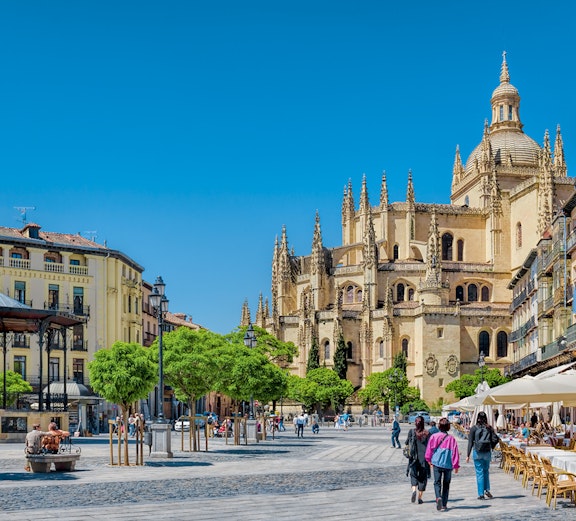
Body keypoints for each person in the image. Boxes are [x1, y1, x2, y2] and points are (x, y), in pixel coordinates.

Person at [425, 417, 460, 511]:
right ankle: (444, 504)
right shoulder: (451, 439)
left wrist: (428, 460)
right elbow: (455, 453)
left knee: (437, 482)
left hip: (436, 462)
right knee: (446, 484)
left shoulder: (434, 436)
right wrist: (456, 465)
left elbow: (429, 449)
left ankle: (438, 497)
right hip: (448, 464)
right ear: (448, 427)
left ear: (439, 426)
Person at [466, 411, 499, 500]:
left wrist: (468, 455)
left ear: (477, 418)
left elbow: (470, 442)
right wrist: (491, 447)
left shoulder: (474, 428)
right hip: (487, 452)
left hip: (477, 452)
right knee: (486, 471)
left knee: (479, 473)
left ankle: (481, 494)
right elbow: (495, 438)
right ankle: (487, 489)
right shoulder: (489, 428)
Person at [405, 415, 430, 504]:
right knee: (422, 478)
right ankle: (419, 498)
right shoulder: (427, 433)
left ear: (415, 423)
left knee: (413, 475)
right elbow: (430, 447)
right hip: (424, 458)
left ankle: (413, 490)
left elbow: (407, 443)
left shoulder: (411, 432)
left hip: (414, 458)